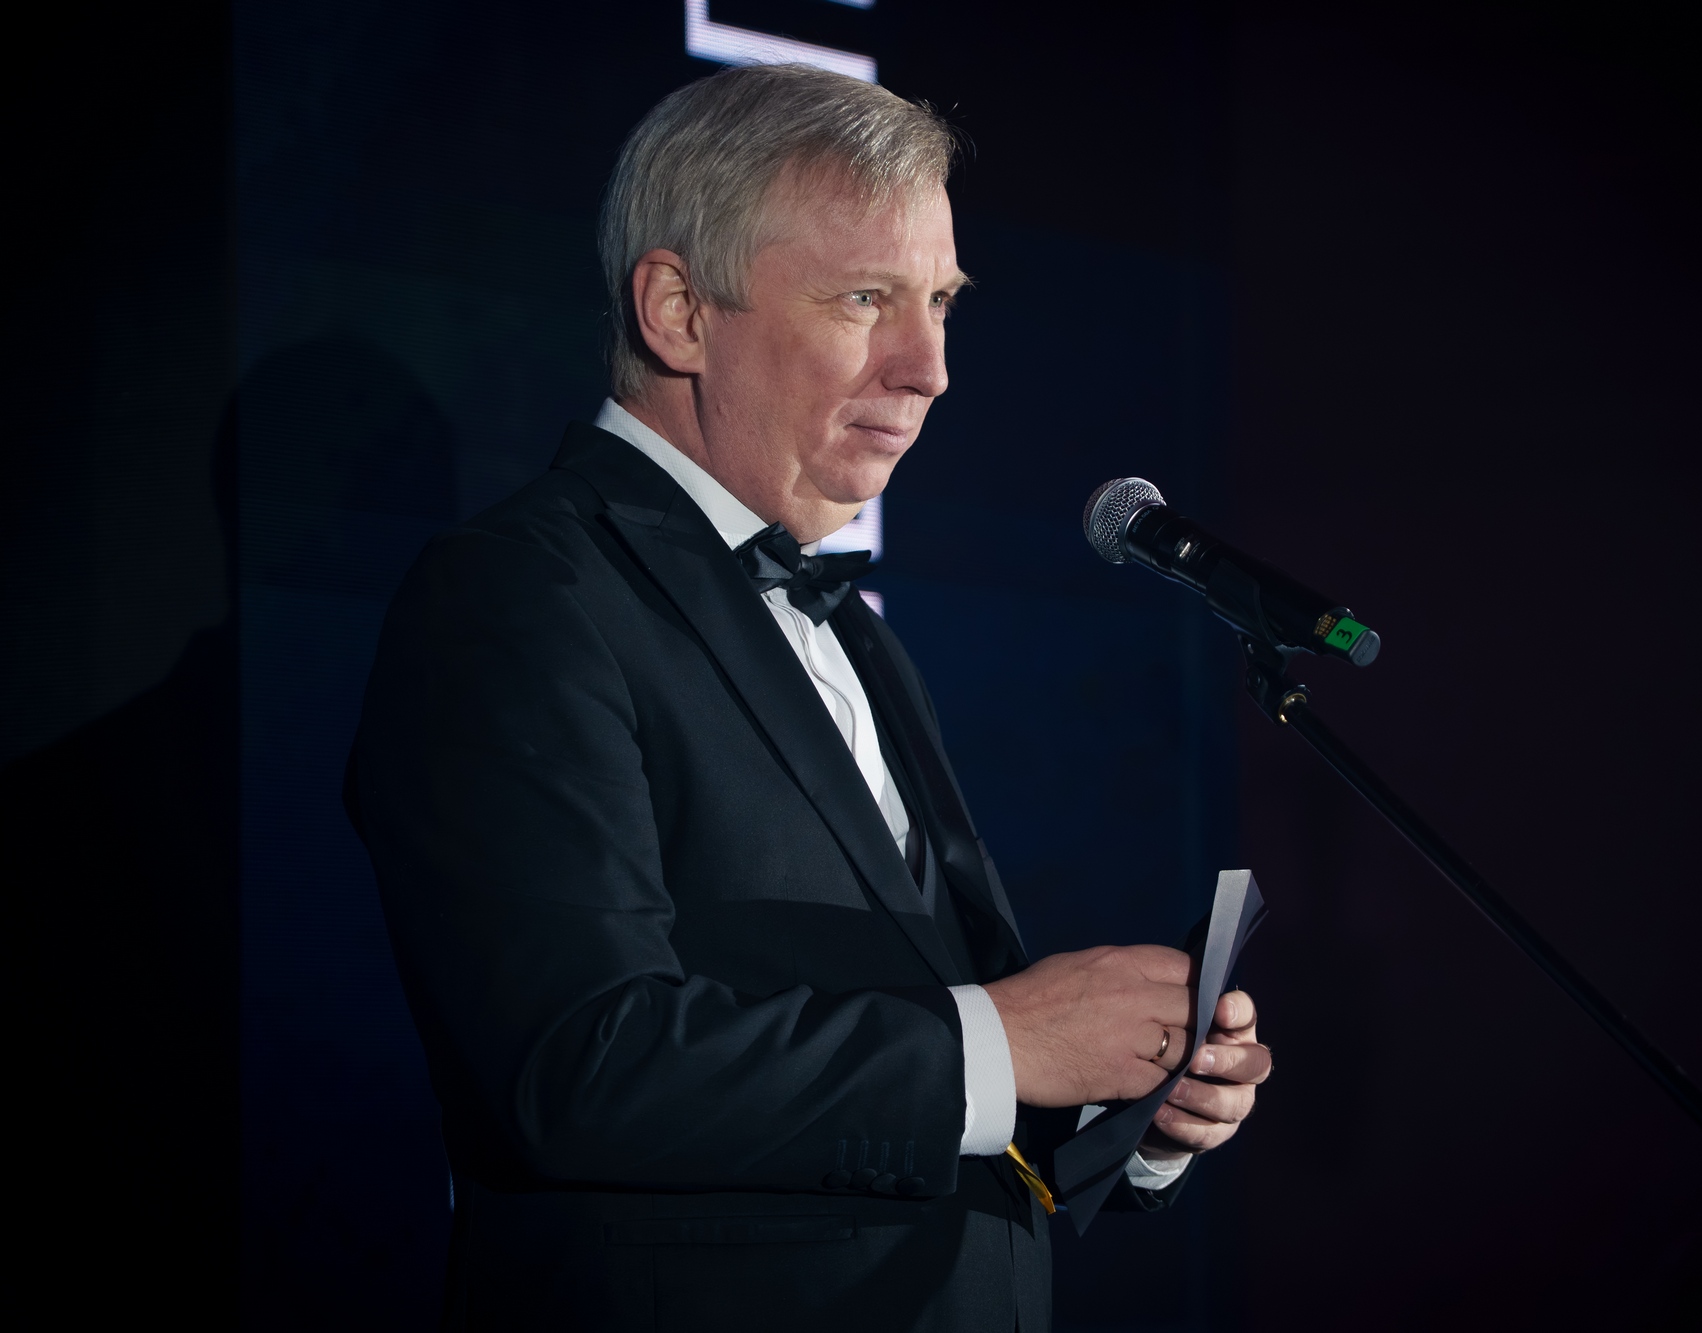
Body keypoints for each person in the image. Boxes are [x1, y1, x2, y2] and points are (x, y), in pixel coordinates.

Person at [346, 62, 1272, 1333]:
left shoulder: (858, 638)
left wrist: (1132, 1106)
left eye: (941, 302)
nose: (929, 367)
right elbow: (572, 1064)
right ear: (678, 312)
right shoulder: (517, 594)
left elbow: (928, 1079)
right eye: (865, 298)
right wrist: (1003, 1042)